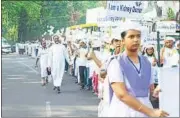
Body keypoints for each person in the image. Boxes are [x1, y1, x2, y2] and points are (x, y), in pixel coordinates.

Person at [107, 22, 169, 117]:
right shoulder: (116, 62)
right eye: (131, 37)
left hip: (145, 110)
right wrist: (150, 112)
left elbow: (150, 90)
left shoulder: (146, 62)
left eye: (138, 36)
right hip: (124, 111)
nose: (136, 40)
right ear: (123, 40)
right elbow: (122, 95)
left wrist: (157, 91)